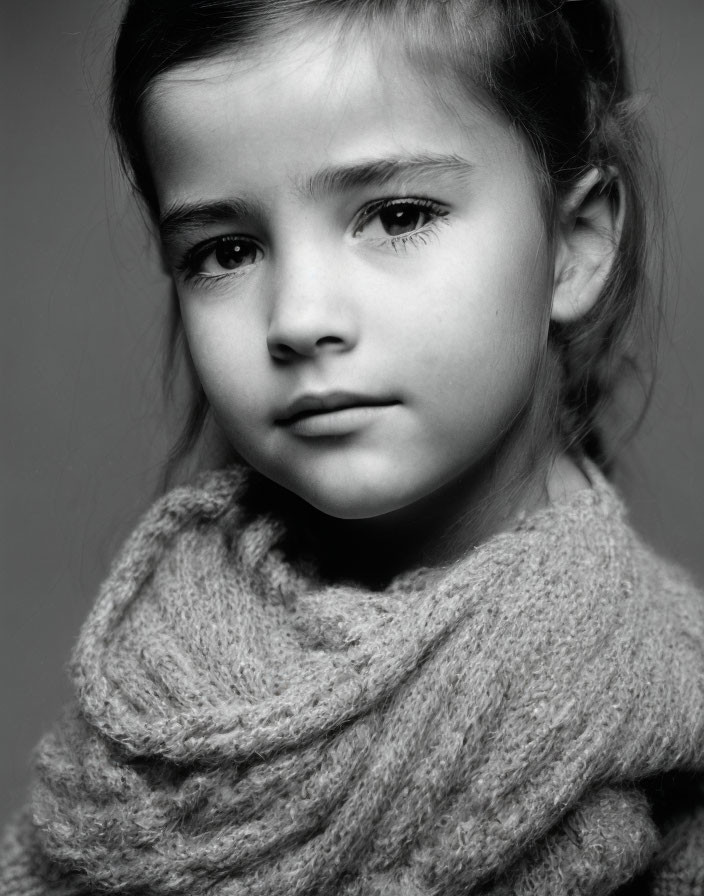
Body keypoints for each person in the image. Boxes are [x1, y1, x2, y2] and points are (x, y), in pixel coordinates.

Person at [2, 0, 703, 893]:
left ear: (574, 243)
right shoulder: (150, 678)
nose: (298, 319)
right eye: (226, 250)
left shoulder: (667, 722)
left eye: (400, 215)